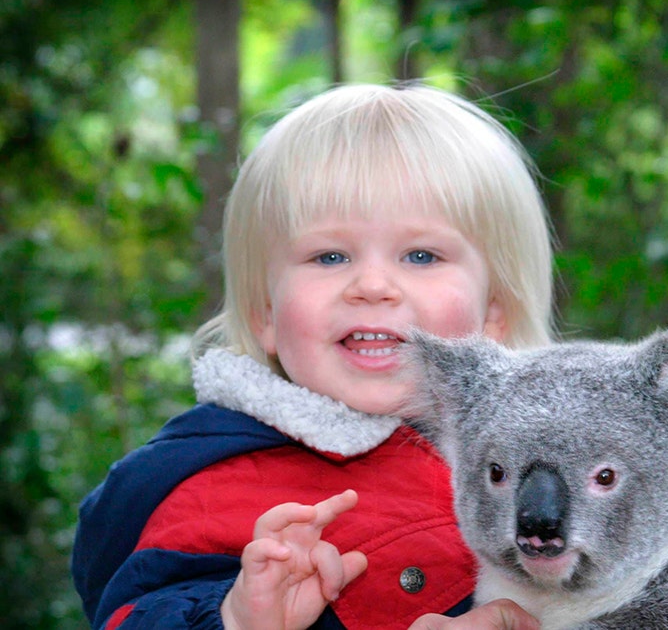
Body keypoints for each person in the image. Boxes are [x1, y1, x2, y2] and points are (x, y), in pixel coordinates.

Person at [71, 83, 556, 630]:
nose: (372, 285)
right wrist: (238, 618)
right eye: (330, 255)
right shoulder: (217, 488)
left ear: (495, 310)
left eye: (421, 255)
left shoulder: (560, 471)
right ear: (266, 316)